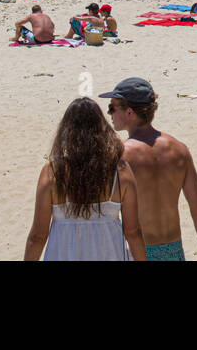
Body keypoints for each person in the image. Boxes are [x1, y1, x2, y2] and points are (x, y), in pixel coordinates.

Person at [102, 77, 197, 261]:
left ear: (130, 112)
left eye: (112, 107)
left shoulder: (121, 156)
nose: (109, 113)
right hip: (173, 250)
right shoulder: (179, 150)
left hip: (137, 251)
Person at [23, 97, 146, 261]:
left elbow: (38, 237)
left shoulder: (53, 173)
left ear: (66, 131)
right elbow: (133, 232)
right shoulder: (120, 171)